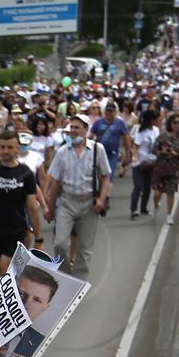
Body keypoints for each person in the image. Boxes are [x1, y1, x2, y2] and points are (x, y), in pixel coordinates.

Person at [45, 114, 111, 276]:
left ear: (86, 130)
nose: (73, 131)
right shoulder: (62, 152)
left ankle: (79, 282)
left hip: (89, 204)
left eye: (76, 127)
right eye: (71, 128)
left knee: (85, 248)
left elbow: (105, 176)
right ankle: (64, 275)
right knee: (59, 243)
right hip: (67, 202)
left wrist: (101, 199)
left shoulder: (97, 149)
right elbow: (55, 183)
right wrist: (50, 209)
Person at [0, 130, 41, 276]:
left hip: (15, 231)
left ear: (17, 147)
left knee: (5, 270)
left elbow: (32, 208)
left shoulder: (26, 173)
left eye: (10, 147)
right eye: (2, 147)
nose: (5, 151)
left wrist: (39, 238)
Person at [0, 265, 60, 357]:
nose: (26, 304)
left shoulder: (39, 343)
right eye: (21, 293)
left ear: (45, 307)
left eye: (37, 300)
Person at [152, 112, 179, 225]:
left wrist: (176, 154)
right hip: (160, 167)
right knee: (157, 193)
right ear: (170, 124)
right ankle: (156, 205)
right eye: (175, 122)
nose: (177, 125)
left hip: (173, 168)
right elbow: (154, 149)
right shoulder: (163, 136)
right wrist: (161, 152)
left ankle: (169, 215)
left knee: (170, 192)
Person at [89, 103, 132, 184]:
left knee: (109, 174)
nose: (109, 114)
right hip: (99, 152)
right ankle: (100, 192)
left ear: (115, 112)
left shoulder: (120, 123)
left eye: (111, 112)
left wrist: (127, 155)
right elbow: (90, 136)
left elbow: (126, 139)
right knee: (98, 174)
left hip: (112, 153)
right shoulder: (98, 122)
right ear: (104, 112)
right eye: (107, 111)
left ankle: (105, 195)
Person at [128, 110, 160, 220]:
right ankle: (133, 209)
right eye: (156, 119)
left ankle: (143, 207)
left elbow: (157, 146)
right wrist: (137, 161)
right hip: (140, 162)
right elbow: (135, 147)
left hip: (151, 162)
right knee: (138, 186)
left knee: (147, 187)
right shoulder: (141, 131)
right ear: (151, 120)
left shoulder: (156, 130)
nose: (157, 121)